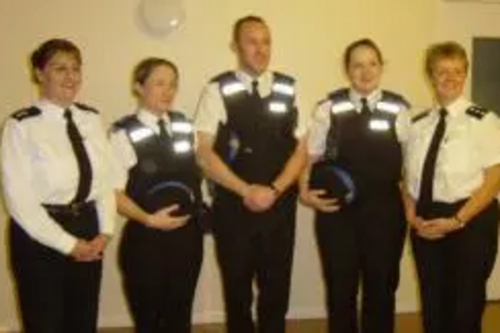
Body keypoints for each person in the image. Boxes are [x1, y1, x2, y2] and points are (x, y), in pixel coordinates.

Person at [194, 15, 307, 333]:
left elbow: (302, 149)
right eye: (252, 41)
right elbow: (203, 151)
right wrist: (246, 191)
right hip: (233, 207)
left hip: (279, 206)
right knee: (237, 290)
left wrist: (275, 188)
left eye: (266, 41)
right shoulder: (216, 89)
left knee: (276, 289)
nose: (261, 49)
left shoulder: (289, 88)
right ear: (235, 46)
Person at [1, 38, 115, 333]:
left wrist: (105, 231)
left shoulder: (91, 118)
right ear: (40, 74)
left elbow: (104, 180)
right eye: (60, 68)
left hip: (89, 229)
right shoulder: (21, 125)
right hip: (39, 236)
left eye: (75, 69)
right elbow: (19, 201)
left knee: (83, 320)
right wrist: (69, 245)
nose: (70, 77)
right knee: (45, 323)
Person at [300, 38, 410, 333]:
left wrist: (411, 206)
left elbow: (410, 165)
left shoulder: (398, 109)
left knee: (381, 289)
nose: (366, 71)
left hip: (385, 212)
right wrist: (305, 192)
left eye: (372, 63)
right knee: (340, 289)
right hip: (338, 214)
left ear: (381, 67)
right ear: (347, 69)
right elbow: (309, 157)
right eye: (358, 64)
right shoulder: (328, 108)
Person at [397, 41, 500, 333]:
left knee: (465, 305)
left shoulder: (484, 120)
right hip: (425, 218)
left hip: (471, 219)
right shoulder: (416, 123)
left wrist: (457, 220)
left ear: (465, 75)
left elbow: (495, 177)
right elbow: (406, 176)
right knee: (432, 301)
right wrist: (410, 213)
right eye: (442, 71)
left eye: (457, 71)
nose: (450, 78)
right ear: (431, 76)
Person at [110, 57, 204, 333]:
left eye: (173, 84)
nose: (168, 91)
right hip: (146, 240)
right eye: (159, 83)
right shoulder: (122, 133)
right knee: (149, 320)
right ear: (139, 87)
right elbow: (113, 193)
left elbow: (202, 170)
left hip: (187, 239)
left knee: (180, 316)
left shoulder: (186, 127)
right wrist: (149, 220)